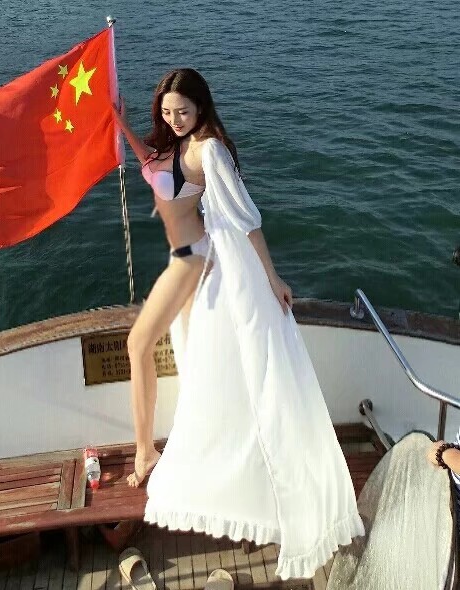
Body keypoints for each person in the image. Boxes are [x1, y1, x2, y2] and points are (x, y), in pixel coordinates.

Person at [113, 68, 364, 580]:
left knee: (145, 346)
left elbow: (247, 219)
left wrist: (273, 278)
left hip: (199, 264)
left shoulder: (209, 151)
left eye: (183, 111)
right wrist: (122, 125)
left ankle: (149, 455)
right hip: (187, 262)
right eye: (167, 111)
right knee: (200, 367)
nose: (174, 119)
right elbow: (153, 166)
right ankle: (162, 452)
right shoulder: (178, 146)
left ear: (201, 108)